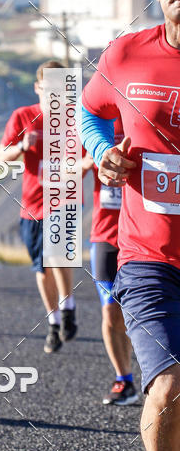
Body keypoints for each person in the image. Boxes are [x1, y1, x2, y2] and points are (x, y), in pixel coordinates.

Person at [81, 0, 180, 451]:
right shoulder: (125, 55)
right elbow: (89, 112)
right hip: (148, 256)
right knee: (168, 385)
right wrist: (101, 151)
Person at [0, 61, 77, 353]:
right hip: (32, 204)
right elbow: (2, 154)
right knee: (42, 267)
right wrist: (22, 146)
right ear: (37, 87)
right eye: (48, 88)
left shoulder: (73, 118)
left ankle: (68, 307)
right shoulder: (23, 116)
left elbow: (87, 154)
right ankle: (54, 321)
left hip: (63, 201)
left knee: (58, 256)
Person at [85, 117, 137, 406]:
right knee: (110, 312)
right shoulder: (95, 122)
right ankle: (124, 379)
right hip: (106, 233)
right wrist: (91, 159)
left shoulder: (147, 116)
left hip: (146, 234)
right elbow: (64, 171)